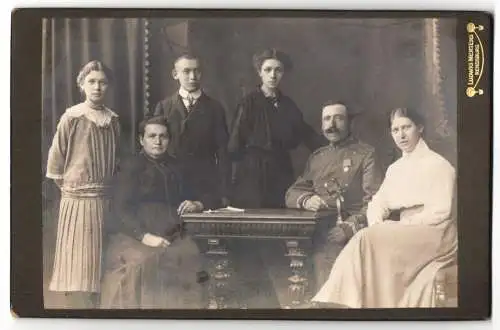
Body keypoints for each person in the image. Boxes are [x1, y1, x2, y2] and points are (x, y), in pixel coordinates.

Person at [310, 107, 458, 308]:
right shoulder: (396, 169)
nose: (401, 135)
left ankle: (335, 301)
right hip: (406, 232)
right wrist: (378, 224)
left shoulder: (439, 165)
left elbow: (441, 211)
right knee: (369, 237)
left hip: (436, 235)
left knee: (364, 238)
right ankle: (351, 302)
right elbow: (378, 202)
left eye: (406, 127)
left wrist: (398, 227)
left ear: (420, 128)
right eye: (395, 130)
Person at [100, 116, 208, 309]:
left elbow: (202, 193)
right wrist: (144, 236)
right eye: (152, 136)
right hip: (132, 235)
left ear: (169, 139)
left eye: (163, 136)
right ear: (141, 140)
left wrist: (197, 203)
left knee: (189, 255)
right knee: (144, 262)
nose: (158, 141)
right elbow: (120, 209)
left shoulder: (177, 166)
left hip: (173, 234)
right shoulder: (129, 167)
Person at [45, 60, 120, 308]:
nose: (97, 87)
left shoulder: (113, 120)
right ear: (81, 85)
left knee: (100, 264)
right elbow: (56, 164)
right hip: (77, 200)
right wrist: (74, 191)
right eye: (91, 81)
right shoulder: (72, 116)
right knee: (78, 262)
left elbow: (116, 159)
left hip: (105, 198)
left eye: (102, 82)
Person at [285, 101, 382, 291]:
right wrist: (306, 200)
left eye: (339, 118)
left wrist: (348, 228)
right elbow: (291, 192)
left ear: (349, 123)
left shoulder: (366, 154)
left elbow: (375, 201)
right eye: (327, 119)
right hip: (314, 232)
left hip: (350, 234)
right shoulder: (317, 157)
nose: (332, 124)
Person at [228, 48, 326, 208]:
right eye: (268, 70)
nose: (273, 75)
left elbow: (306, 134)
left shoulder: (288, 105)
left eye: (278, 70)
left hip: (281, 170)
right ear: (260, 72)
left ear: (283, 73)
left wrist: (330, 148)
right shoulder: (248, 103)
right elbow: (234, 145)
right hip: (253, 174)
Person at [147, 53, 230, 209]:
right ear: (175, 74)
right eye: (186, 71)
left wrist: (223, 193)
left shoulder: (215, 108)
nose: (193, 76)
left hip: (204, 185)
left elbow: (223, 153)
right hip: (170, 184)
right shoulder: (164, 107)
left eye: (196, 71)